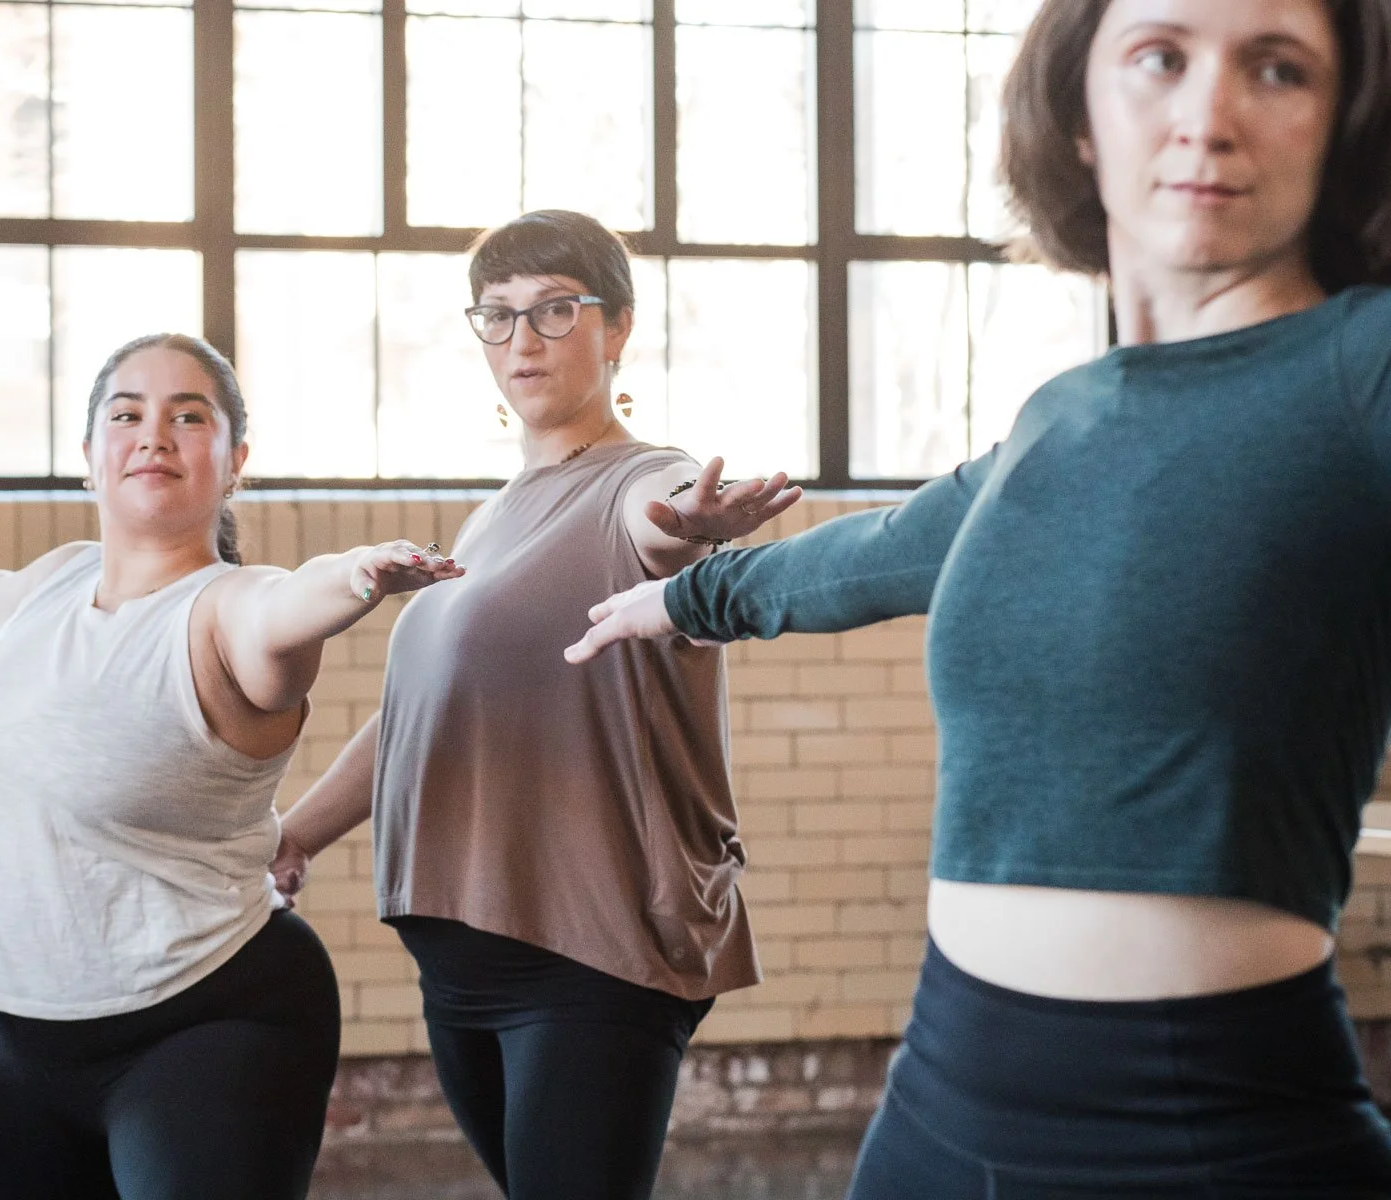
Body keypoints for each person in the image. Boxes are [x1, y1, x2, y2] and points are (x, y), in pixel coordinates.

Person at [567, 0, 1391, 1194]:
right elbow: (892, 548)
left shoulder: (1359, 368)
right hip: (942, 1114)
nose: (1207, 115)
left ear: (1341, 126)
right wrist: (688, 600)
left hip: (1223, 1132)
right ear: (1081, 118)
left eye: (1276, 69)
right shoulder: (1063, 415)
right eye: (1160, 58)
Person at [269, 209, 801, 1200]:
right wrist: (294, 832)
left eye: (556, 310)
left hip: (587, 956)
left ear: (618, 328)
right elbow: (423, 716)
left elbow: (663, 526)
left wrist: (694, 533)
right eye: (500, 316)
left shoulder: (637, 479)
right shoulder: (495, 514)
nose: (523, 339)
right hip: (464, 955)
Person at [0, 333, 463, 1200]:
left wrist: (356, 575)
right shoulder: (51, 585)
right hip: (9, 1041)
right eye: (128, 414)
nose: (154, 435)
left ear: (234, 463)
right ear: (89, 458)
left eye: (190, 417)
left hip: (206, 1025)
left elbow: (287, 606)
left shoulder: (227, 609)